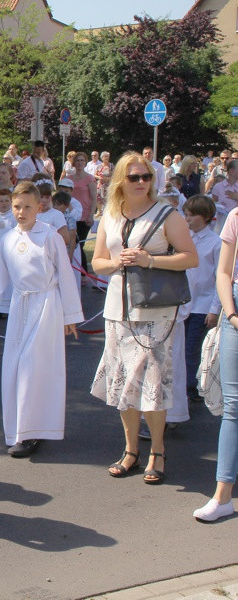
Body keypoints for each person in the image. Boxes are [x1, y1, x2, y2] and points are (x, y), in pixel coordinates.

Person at [90, 151, 197, 484]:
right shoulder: (109, 214)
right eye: (133, 177)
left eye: (146, 176)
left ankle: (157, 451)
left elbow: (190, 258)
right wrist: (118, 263)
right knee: (123, 383)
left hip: (155, 310)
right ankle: (131, 450)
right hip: (118, 309)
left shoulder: (167, 214)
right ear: (121, 180)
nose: (141, 182)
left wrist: (149, 260)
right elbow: (98, 263)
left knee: (152, 385)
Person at [0, 182, 82, 457]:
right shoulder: (9, 239)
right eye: (16, 207)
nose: (21, 212)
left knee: (34, 368)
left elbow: (66, 276)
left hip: (46, 305)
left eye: (27, 207)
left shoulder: (50, 237)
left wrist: (70, 315)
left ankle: (33, 430)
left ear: (39, 208)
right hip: (20, 306)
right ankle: (20, 427)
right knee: (14, 366)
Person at [193, 205, 238, 522]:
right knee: (234, 407)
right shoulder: (236, 217)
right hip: (235, 310)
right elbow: (223, 272)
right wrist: (232, 314)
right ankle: (222, 496)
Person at [181, 196, 220, 403]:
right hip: (183, 303)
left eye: (191, 215)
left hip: (202, 305)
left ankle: (188, 388)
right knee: (180, 347)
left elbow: (219, 279)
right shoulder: (185, 238)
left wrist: (214, 309)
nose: (187, 219)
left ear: (204, 217)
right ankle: (185, 384)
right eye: (185, 214)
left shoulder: (216, 243)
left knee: (191, 348)